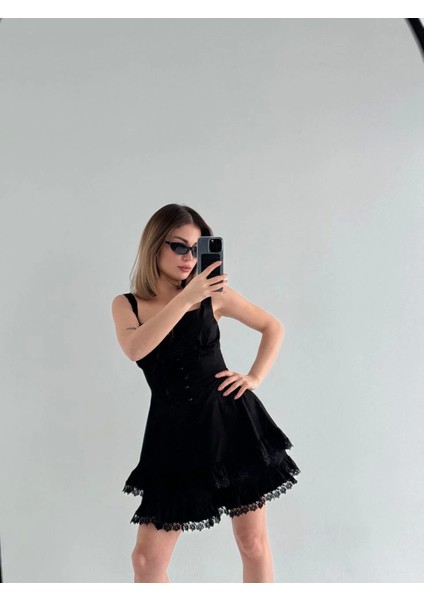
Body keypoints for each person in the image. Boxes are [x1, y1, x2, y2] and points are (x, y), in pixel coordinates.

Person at [111, 203, 300, 583]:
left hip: (230, 425)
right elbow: (136, 349)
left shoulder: (215, 296)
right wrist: (185, 298)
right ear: (154, 245)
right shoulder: (127, 305)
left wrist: (254, 377)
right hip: (172, 437)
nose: (189, 257)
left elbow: (272, 326)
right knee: (147, 561)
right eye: (179, 246)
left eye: (196, 248)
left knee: (252, 543)